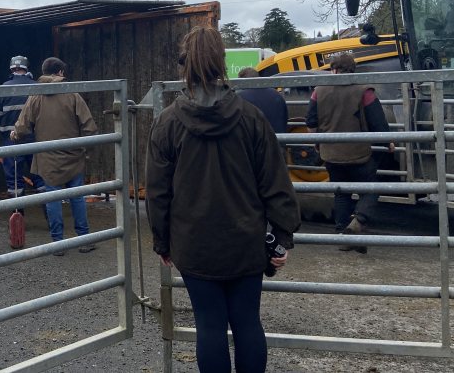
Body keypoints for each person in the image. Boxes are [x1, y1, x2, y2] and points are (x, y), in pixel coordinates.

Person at [146, 27, 300, 373]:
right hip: (245, 242)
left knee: (209, 327)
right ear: (222, 62)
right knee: (248, 323)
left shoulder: (167, 123)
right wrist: (282, 237)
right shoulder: (251, 119)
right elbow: (276, 181)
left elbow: (157, 191)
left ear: (184, 66)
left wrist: (162, 241)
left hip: (194, 244)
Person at [305, 53, 394, 253]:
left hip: (331, 153)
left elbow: (310, 122)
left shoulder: (318, 91)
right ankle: (358, 222)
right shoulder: (364, 91)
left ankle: (342, 236)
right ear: (352, 70)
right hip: (358, 153)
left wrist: (319, 142)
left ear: (333, 69)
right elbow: (377, 122)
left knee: (341, 193)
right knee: (370, 189)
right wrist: (388, 142)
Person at [11, 57, 98, 255]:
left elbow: (23, 126)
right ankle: (84, 239)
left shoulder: (36, 96)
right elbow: (89, 126)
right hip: (74, 156)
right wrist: (85, 149)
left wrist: (14, 134)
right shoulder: (72, 94)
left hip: (47, 158)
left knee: (53, 199)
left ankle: (57, 243)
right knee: (77, 196)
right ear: (60, 72)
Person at [0, 55, 46, 204]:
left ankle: (18, 220)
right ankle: (50, 218)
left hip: (11, 140)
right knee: (40, 177)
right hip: (35, 139)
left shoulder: (5, 87)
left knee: (14, 182)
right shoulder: (37, 87)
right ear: (26, 68)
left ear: (11, 69)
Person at [237, 67, 288, 135]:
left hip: (254, 142)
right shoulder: (276, 94)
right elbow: (285, 118)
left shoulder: (241, 97)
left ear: (243, 82)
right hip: (278, 141)